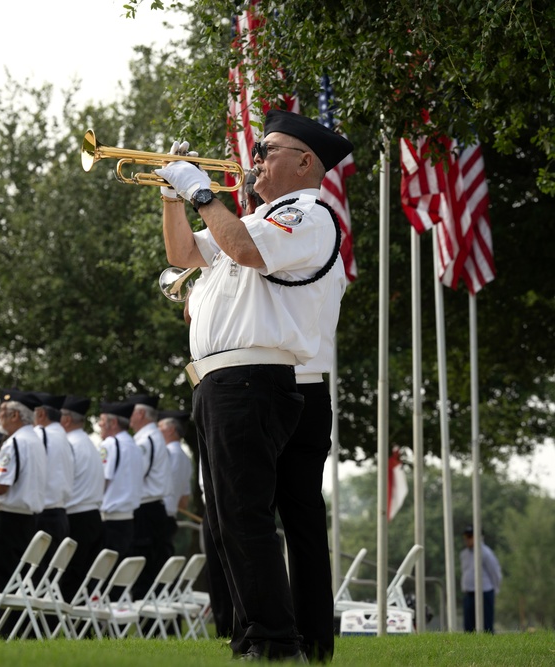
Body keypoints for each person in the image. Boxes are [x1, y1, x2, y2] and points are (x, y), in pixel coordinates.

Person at [156, 109, 353, 661]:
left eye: (267, 150)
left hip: (256, 378)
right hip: (231, 379)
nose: (255, 159)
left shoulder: (306, 214)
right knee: (230, 517)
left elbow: (243, 250)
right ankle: (271, 636)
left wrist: (199, 191)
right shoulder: (260, 219)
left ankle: (274, 640)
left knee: (248, 516)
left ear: (305, 161)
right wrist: (172, 194)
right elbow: (183, 254)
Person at [0, 390, 46, 594]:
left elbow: (0, 487)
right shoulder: (35, 441)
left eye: (2, 411)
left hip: (5, 521)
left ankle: (4, 627)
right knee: (19, 585)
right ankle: (15, 627)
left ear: (15, 415)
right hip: (26, 520)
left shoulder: (15, 443)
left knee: (1, 583)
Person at [60, 395, 104, 600]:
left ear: (67, 420)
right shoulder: (89, 443)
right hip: (92, 516)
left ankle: (67, 627)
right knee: (83, 576)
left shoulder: (69, 444)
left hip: (75, 518)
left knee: (69, 577)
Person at [127, 394, 172, 599]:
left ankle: (147, 623)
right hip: (152, 509)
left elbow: (135, 474)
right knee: (153, 566)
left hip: (146, 510)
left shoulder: (146, 440)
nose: (129, 416)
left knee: (145, 568)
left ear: (141, 413)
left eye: (133, 411)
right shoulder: (152, 437)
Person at [31, 392, 73, 576]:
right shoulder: (65, 438)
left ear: (40, 414)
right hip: (60, 513)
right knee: (52, 576)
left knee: (36, 575)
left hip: (43, 514)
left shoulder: (40, 434)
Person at [96, 401, 142, 557]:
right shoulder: (134, 445)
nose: (99, 424)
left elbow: (101, 481)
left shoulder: (109, 444)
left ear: (113, 423)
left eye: (102, 420)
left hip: (110, 520)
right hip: (128, 519)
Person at [157, 411, 193, 548]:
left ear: (171, 430)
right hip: (170, 518)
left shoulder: (164, 453)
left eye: (159, 426)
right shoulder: (185, 458)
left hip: (155, 517)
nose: (156, 430)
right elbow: (183, 502)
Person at [461, 525, 502, 633]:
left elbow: (495, 573)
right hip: (469, 593)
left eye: (470, 536)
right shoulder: (464, 554)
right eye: (466, 537)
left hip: (485, 592)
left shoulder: (485, 553)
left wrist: (495, 590)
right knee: (469, 626)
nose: (467, 540)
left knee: (486, 626)